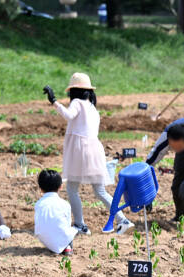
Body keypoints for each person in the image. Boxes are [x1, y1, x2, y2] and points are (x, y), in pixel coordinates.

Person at [43, 73, 134, 235]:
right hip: (94, 150)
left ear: (74, 91)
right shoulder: (92, 108)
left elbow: (68, 115)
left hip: (80, 151)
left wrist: (54, 101)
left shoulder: (77, 103)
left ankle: (80, 225)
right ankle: (122, 220)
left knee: (72, 188)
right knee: (100, 191)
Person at [34, 170, 77, 256]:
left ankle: (53, 246)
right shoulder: (65, 204)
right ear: (60, 186)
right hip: (61, 237)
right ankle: (67, 247)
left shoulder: (38, 204)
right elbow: (67, 224)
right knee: (73, 229)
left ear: (40, 188)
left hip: (43, 238)